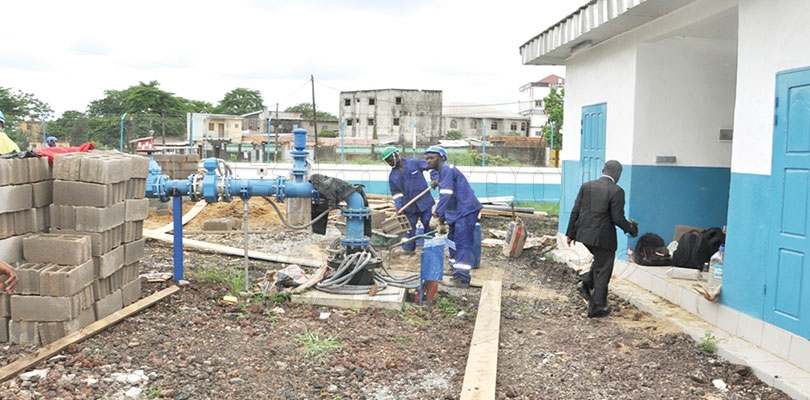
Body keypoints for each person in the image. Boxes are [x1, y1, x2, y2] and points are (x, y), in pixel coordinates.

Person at [565, 160, 638, 318]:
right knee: (604, 268)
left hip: (584, 235)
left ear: (603, 170)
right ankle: (596, 306)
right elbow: (617, 218)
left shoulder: (587, 186)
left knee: (600, 262)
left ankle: (586, 283)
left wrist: (570, 233)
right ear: (618, 174)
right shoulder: (617, 191)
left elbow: (576, 209)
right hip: (603, 238)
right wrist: (631, 228)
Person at [424, 145, 482, 288]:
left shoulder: (446, 169)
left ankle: (462, 279)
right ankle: (455, 268)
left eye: (432, 158)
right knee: (452, 240)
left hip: (465, 210)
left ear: (441, 157)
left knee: (462, 243)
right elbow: (447, 197)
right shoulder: (440, 172)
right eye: (427, 158)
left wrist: (437, 214)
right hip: (457, 211)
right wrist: (443, 219)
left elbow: (446, 194)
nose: (428, 161)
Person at [382, 146, 434, 256]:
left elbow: (432, 166)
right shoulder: (393, 176)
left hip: (424, 202)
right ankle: (408, 249)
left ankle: (431, 249)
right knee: (408, 228)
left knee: (429, 225)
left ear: (396, 155)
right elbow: (396, 194)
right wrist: (399, 206)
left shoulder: (414, 163)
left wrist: (435, 178)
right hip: (409, 206)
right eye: (387, 162)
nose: (389, 163)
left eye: (390, 160)